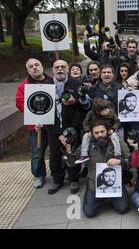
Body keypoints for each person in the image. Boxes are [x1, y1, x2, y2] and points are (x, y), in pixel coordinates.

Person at [46, 60, 91, 194]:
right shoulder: (46, 86)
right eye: (57, 67)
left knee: (72, 155)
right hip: (52, 126)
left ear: (67, 69)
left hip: (71, 127)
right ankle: (57, 180)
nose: (60, 69)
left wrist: (75, 101)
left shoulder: (77, 84)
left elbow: (87, 104)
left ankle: (74, 179)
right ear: (52, 70)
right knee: (54, 156)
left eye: (63, 67)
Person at [16, 58, 54, 189]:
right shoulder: (23, 86)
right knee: (37, 153)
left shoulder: (52, 81)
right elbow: (20, 104)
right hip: (35, 126)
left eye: (37, 64)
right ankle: (39, 175)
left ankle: (59, 172)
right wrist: (36, 114)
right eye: (31, 66)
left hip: (53, 124)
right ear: (28, 70)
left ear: (42, 66)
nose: (35, 68)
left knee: (57, 150)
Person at [82, 120, 130, 218]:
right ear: (91, 133)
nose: (100, 135)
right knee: (89, 212)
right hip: (95, 184)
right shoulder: (86, 144)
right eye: (96, 133)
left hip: (115, 183)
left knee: (123, 208)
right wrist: (68, 149)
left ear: (107, 131)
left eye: (102, 131)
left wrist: (119, 161)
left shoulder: (116, 140)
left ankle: (110, 197)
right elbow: (72, 162)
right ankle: (92, 194)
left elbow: (129, 159)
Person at [76, 98, 121, 164]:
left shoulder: (111, 112)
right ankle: (84, 155)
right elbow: (85, 123)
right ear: (98, 112)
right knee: (86, 136)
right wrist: (89, 130)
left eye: (107, 108)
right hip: (95, 134)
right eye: (104, 110)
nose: (107, 110)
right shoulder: (91, 114)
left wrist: (113, 129)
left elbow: (117, 122)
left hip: (108, 133)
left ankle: (117, 155)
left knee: (114, 136)